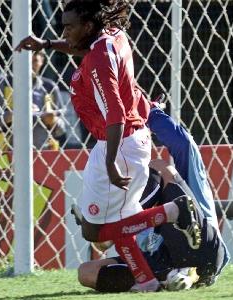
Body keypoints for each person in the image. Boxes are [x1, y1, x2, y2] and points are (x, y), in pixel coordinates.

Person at [15, 0, 202, 291]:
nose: (64, 32)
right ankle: (147, 282)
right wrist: (47, 44)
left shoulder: (100, 57)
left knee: (96, 229)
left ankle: (176, 211)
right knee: (121, 219)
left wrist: (111, 161)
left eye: (68, 27)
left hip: (120, 144)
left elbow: (115, 111)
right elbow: (82, 49)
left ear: (88, 26)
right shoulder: (110, 36)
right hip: (128, 140)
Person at [74, 158, 227, 292]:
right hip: (161, 261)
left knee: (160, 168)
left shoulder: (151, 184)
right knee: (86, 272)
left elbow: (162, 167)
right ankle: (168, 278)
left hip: (194, 245)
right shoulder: (125, 205)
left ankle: (170, 275)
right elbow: (100, 246)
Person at [0, 51, 67, 151]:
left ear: (42, 61)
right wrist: (13, 115)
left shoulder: (49, 87)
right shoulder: (4, 85)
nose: (30, 65)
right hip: (7, 153)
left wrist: (53, 121)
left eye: (34, 61)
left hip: (44, 154)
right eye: (27, 61)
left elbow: (63, 128)